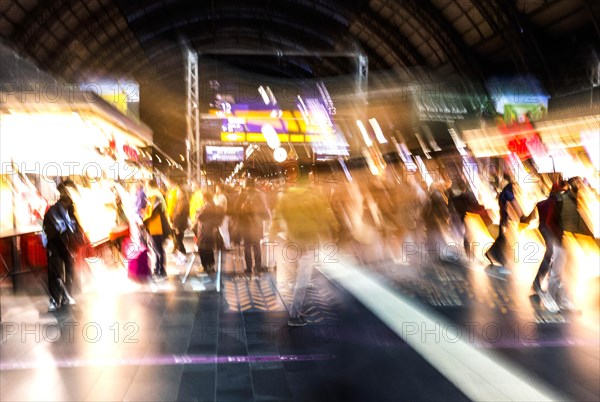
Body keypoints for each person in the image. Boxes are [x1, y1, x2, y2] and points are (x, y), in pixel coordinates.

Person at [269, 168, 339, 327]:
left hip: (291, 242)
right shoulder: (314, 196)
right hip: (308, 243)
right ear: (308, 179)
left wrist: (272, 236)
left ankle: (294, 305)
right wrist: (334, 232)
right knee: (303, 278)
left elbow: (276, 218)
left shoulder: (285, 197)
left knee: (292, 276)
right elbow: (326, 216)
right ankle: (294, 315)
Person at [42, 180, 84, 312]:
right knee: (56, 272)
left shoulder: (72, 211)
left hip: (68, 246)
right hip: (56, 246)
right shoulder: (53, 212)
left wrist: (74, 239)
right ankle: (55, 299)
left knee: (69, 270)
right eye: (67, 193)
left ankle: (66, 296)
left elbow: (77, 228)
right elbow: (48, 230)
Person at [485, 176, 524, 267]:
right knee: (504, 238)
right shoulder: (509, 190)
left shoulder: (508, 190)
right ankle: (499, 257)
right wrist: (514, 217)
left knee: (503, 238)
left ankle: (495, 255)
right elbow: (510, 204)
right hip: (506, 219)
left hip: (505, 218)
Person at [234, 180, 270, 274]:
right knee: (256, 245)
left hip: (245, 224)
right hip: (256, 225)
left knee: (247, 246)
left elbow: (235, 208)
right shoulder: (260, 194)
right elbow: (265, 212)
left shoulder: (242, 195)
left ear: (246, 185)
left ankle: (249, 268)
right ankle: (258, 266)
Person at [144, 181, 170, 278]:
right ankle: (158, 268)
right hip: (157, 227)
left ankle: (162, 270)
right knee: (157, 250)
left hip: (157, 227)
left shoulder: (154, 195)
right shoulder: (157, 194)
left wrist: (144, 221)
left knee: (158, 249)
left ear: (149, 186)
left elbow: (150, 213)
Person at [195, 190, 224, 272]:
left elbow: (199, 216)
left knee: (202, 248)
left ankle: (205, 266)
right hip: (210, 229)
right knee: (209, 248)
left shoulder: (206, 207)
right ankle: (211, 266)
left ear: (205, 198)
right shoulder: (213, 206)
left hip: (204, 230)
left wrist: (197, 212)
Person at [172, 187, 190, 264]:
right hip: (177, 224)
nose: (177, 194)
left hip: (180, 225)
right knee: (178, 241)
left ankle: (183, 257)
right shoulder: (179, 202)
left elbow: (181, 216)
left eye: (178, 193)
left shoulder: (184, 203)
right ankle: (181, 257)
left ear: (182, 194)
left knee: (179, 241)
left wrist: (177, 227)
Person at [214, 185, 231, 250]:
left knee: (223, 230)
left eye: (217, 189)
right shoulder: (221, 196)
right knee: (224, 230)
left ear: (220, 189)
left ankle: (227, 245)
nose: (216, 190)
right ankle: (226, 245)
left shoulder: (221, 197)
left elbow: (218, 206)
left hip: (222, 216)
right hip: (224, 215)